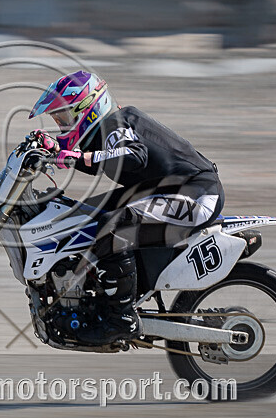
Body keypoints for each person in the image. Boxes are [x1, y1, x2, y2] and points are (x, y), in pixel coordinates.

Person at [27, 70, 224, 345]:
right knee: (83, 215)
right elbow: (101, 161)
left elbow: (134, 157)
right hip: (166, 191)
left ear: (89, 109)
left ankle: (121, 319)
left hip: (196, 194)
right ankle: (99, 295)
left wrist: (73, 155)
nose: (62, 125)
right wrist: (53, 149)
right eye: (57, 120)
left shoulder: (116, 125)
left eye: (64, 118)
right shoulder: (107, 131)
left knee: (113, 225)